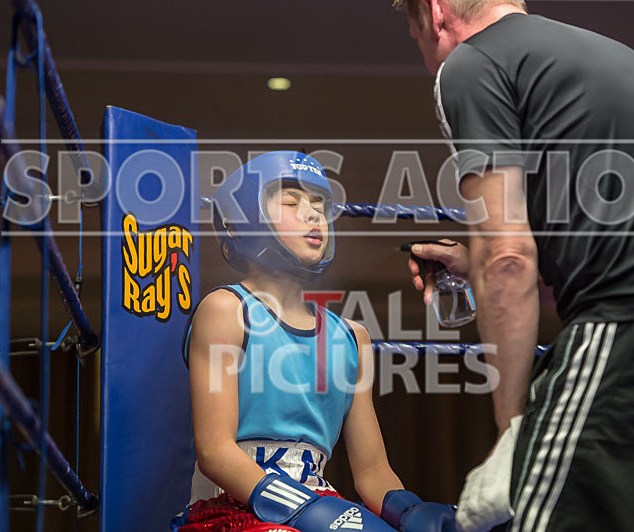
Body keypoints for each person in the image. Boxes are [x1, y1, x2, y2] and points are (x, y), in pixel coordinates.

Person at [393, 1, 634, 531]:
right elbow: (627, 238)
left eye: (414, 35)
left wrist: (512, 433)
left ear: (435, 12)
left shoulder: (472, 64)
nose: (424, 54)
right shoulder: (609, 57)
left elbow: (509, 256)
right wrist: (478, 264)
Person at [172, 151, 455, 532]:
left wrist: (409, 511)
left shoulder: (352, 338)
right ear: (242, 222)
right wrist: (307, 510)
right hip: (231, 509)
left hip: (321, 507)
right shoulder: (226, 309)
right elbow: (214, 451)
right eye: (291, 202)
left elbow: (372, 471)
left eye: (319, 204)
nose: (312, 214)